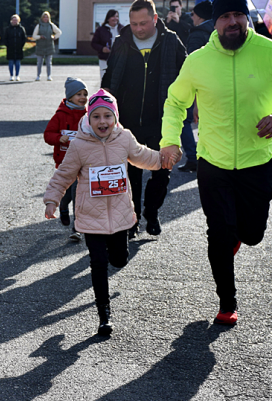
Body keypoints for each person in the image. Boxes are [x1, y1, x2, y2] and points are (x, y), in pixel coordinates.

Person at [159, 0, 272, 326]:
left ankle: (239, 234)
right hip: (213, 162)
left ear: (246, 17)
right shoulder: (198, 61)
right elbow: (175, 102)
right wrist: (169, 140)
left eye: (237, 15)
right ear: (215, 22)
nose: (232, 22)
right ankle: (226, 302)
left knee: (252, 233)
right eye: (224, 16)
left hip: (257, 162)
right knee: (219, 233)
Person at [44, 91, 163, 335]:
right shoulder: (78, 145)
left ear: (115, 117)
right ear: (88, 118)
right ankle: (104, 314)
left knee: (118, 259)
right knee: (98, 263)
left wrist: (164, 159)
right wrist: (52, 200)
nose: (102, 121)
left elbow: (142, 156)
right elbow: (63, 175)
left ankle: (116, 256)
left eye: (107, 116)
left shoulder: (125, 138)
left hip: (120, 216)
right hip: (90, 216)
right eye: (96, 116)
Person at [101, 0, 186, 238]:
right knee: (131, 174)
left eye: (144, 23)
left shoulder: (170, 41)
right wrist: (101, 108)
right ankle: (133, 218)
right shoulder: (121, 42)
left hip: (162, 121)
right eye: (134, 23)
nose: (138, 28)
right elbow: (110, 79)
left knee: (162, 171)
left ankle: (152, 211)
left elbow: (187, 75)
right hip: (128, 122)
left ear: (155, 19)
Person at [43, 78, 88, 242]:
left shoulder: (88, 116)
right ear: (69, 97)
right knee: (67, 192)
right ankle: (63, 206)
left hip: (83, 164)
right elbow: (48, 135)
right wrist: (58, 138)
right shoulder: (60, 115)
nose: (83, 97)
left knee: (79, 194)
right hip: (64, 162)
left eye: (85, 94)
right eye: (78, 94)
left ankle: (77, 228)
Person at [177, 0, 214, 172]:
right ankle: (209, 157)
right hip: (218, 84)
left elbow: (192, 63)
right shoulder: (218, 30)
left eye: (192, 14)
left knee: (185, 120)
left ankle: (193, 157)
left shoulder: (198, 33)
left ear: (199, 16)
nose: (191, 17)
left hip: (199, 85)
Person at [91, 9, 123, 79]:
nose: (115, 18)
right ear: (108, 18)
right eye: (113, 16)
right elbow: (94, 43)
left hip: (119, 59)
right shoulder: (101, 30)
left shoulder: (122, 29)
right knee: (105, 79)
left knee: (118, 79)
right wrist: (102, 49)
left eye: (117, 16)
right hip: (104, 59)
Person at [32, 11, 61, 81]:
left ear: (49, 18)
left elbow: (59, 32)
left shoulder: (51, 25)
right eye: (44, 17)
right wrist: (40, 37)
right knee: (39, 63)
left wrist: (54, 37)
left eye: (47, 17)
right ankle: (38, 76)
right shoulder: (39, 26)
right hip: (40, 46)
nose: (45, 18)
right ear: (42, 18)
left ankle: (49, 76)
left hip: (49, 46)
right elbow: (34, 36)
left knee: (49, 63)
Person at [4, 14, 27, 81]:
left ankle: (17, 75)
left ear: (18, 21)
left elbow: (24, 38)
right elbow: (5, 38)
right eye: (13, 20)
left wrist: (21, 45)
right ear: (11, 21)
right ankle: (11, 75)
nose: (15, 21)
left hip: (18, 48)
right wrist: (8, 45)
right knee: (11, 62)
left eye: (16, 20)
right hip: (10, 48)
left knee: (17, 62)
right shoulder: (8, 29)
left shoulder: (21, 29)